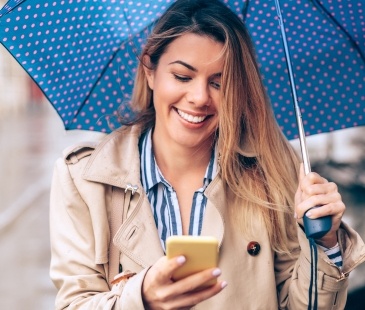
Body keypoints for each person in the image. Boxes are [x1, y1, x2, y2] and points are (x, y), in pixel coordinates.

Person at [49, 0, 365, 309]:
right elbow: (75, 303)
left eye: (219, 83)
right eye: (182, 77)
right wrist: (143, 297)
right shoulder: (84, 179)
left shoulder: (272, 166)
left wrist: (325, 244)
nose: (200, 98)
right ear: (150, 70)